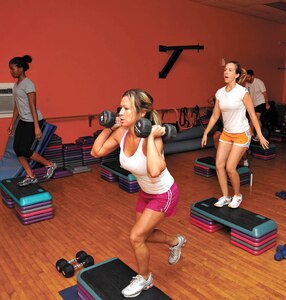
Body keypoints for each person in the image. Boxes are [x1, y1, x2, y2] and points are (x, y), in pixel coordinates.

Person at [91, 89, 186, 298]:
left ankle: (145, 278)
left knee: (136, 237)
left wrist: (151, 137)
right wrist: (109, 126)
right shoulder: (121, 132)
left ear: (142, 113)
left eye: (126, 108)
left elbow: (154, 171)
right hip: (145, 193)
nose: (121, 113)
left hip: (164, 193)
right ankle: (175, 242)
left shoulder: (152, 139)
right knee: (145, 236)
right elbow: (96, 151)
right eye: (120, 108)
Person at [201, 61, 269, 209]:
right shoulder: (219, 93)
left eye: (230, 70)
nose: (226, 72)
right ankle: (225, 196)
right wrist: (206, 132)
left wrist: (260, 134)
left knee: (230, 168)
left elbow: (252, 115)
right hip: (226, 133)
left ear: (237, 75)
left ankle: (237, 195)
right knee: (219, 165)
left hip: (241, 133)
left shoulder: (242, 92)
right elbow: (214, 116)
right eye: (225, 69)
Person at [7, 55, 57, 186]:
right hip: (23, 121)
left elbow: (32, 106)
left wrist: (36, 127)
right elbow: (17, 105)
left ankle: (50, 165)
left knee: (24, 149)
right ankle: (30, 176)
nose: (11, 72)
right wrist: (12, 123)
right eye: (10, 69)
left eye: (13, 69)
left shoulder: (29, 84)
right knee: (17, 149)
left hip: (33, 121)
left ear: (21, 68)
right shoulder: (16, 85)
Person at [245, 69, 269, 141]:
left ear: (252, 76)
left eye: (248, 77)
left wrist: (267, 104)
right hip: (252, 103)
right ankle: (251, 134)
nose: (247, 79)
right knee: (251, 119)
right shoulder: (247, 84)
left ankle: (259, 135)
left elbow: (265, 94)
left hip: (260, 102)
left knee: (256, 118)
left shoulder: (259, 82)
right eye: (246, 77)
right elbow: (247, 95)